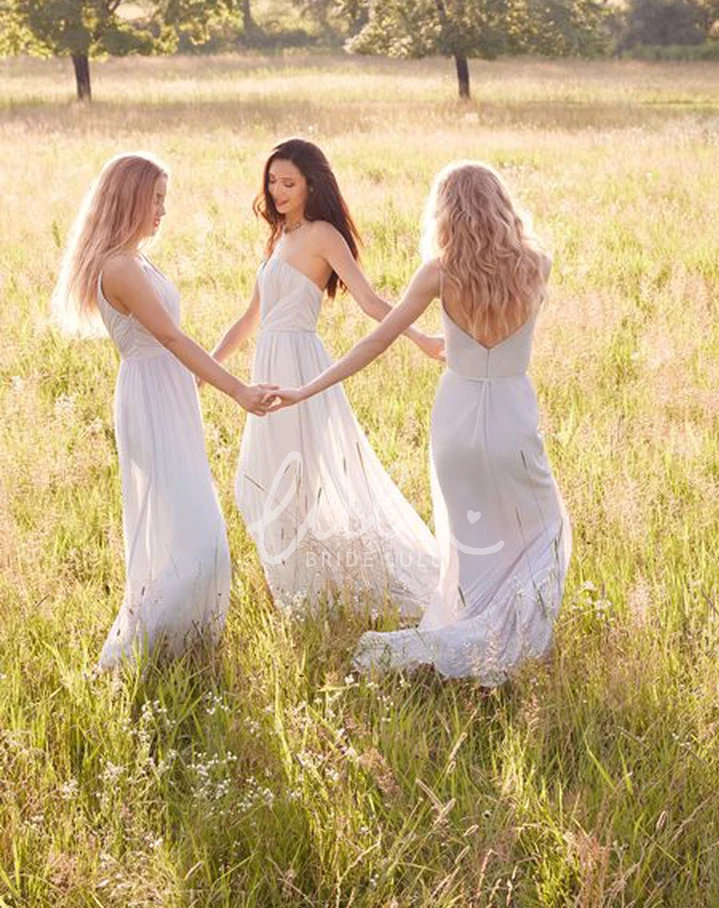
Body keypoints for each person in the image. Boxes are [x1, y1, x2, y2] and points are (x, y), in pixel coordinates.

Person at [272, 161, 572, 685]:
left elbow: (376, 340)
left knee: (470, 542)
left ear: (446, 212)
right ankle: (509, 645)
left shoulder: (439, 271)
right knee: (543, 529)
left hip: (455, 422)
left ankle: (466, 634)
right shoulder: (536, 264)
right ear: (501, 204)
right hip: (512, 417)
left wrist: (305, 388)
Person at [52, 152, 277, 669]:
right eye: (155, 200)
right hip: (150, 397)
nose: (162, 211)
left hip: (164, 393)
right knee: (198, 537)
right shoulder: (120, 266)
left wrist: (197, 383)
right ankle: (140, 652)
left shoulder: (135, 259)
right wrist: (238, 390)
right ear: (129, 199)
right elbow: (172, 338)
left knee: (190, 527)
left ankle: (182, 646)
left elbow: (173, 345)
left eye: (163, 200)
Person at [209, 138, 441, 614]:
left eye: (288, 183)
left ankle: (321, 590)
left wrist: (419, 338)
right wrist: (207, 369)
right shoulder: (278, 238)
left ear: (312, 185)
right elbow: (251, 318)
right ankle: (300, 587)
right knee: (263, 477)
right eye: (272, 181)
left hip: (300, 363)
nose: (277, 191)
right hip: (268, 362)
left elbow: (372, 302)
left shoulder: (322, 235)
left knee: (302, 476)